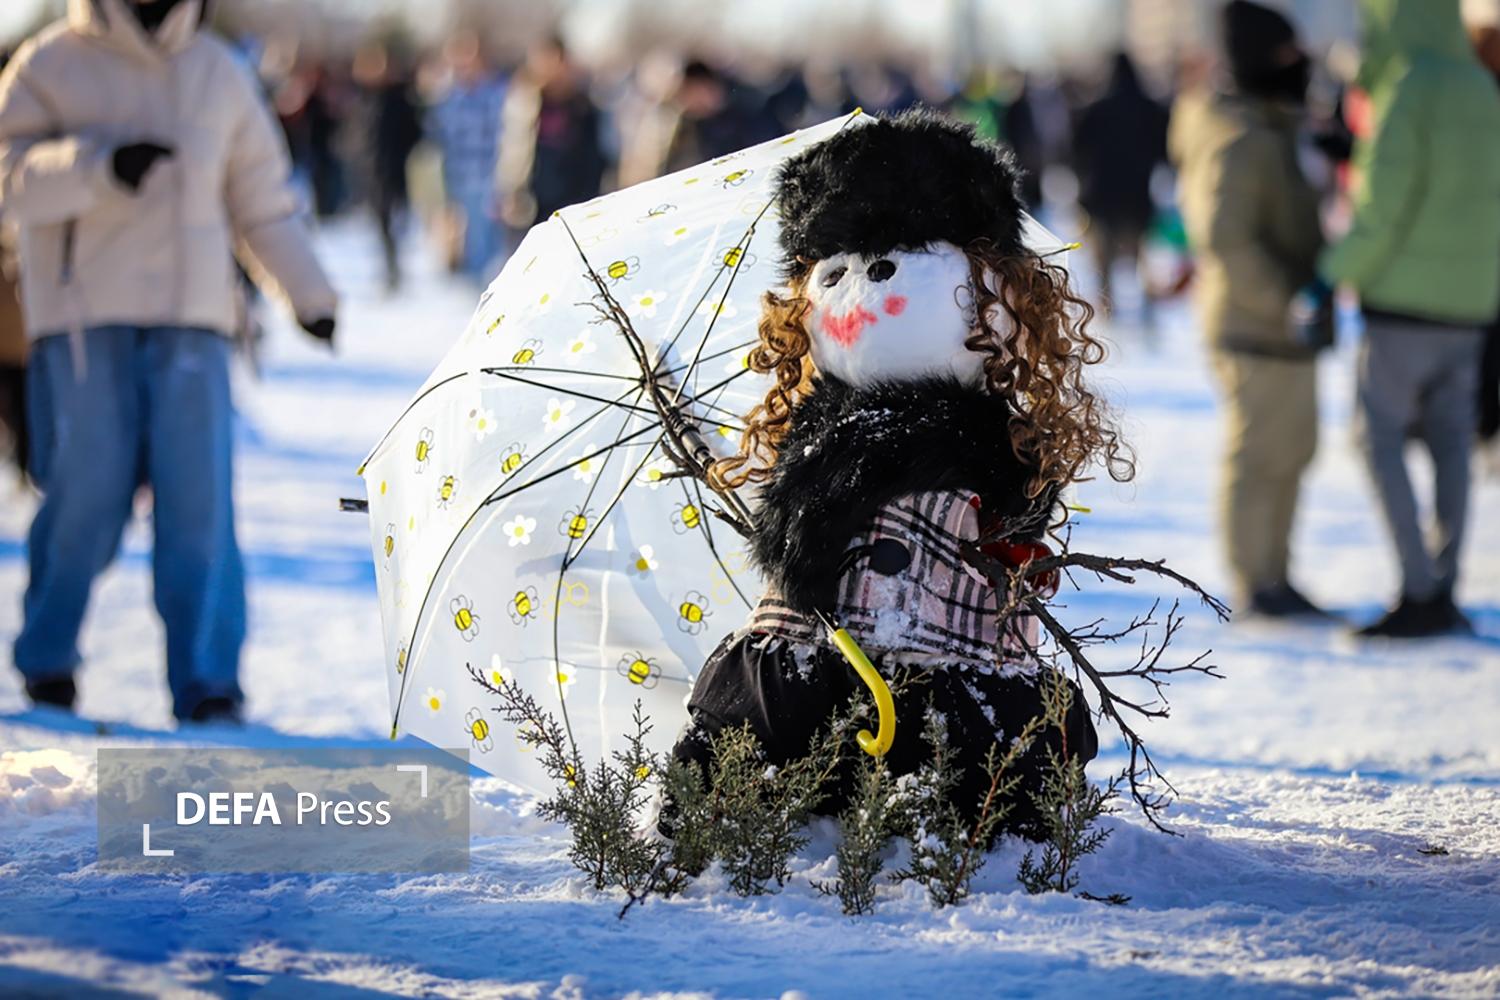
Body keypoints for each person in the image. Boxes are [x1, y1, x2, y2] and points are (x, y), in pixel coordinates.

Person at [667, 112, 1128, 837]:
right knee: (733, 749)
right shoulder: (815, 429)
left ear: (994, 296)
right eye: (836, 274)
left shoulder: (987, 438)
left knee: (979, 784)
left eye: (885, 269)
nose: (858, 297)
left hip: (940, 680)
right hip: (807, 680)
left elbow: (1016, 515)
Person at [0, 0, 338, 721]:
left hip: (194, 320)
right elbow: (7, 177)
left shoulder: (217, 71)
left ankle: (208, 680)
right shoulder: (47, 64)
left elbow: (262, 200)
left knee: (199, 504)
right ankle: (47, 657)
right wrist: (96, 167)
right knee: (85, 498)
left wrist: (309, 294)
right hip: (83, 316)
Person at [1307, 0, 1500, 637]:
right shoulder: (1481, 86)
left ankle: (1418, 590)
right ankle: (1444, 586)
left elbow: (1382, 209)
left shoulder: (1409, 87)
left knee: (1378, 438)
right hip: (1471, 303)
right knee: (1451, 441)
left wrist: (1331, 276)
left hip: (1403, 306)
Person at [1170, 1, 1327, 618]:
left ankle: (1275, 574)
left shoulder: (1268, 124)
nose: (1300, 65)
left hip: (1279, 323)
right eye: (1288, 54)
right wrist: (1286, 299)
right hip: (1256, 322)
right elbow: (1226, 239)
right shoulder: (1240, 136)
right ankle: (1256, 581)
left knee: (1290, 451)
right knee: (1260, 455)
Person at [1071, 52, 1169, 322]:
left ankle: (1109, 308)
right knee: (1140, 254)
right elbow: (1164, 150)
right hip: (1137, 195)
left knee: (1105, 259)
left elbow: (1078, 150)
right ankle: (1146, 307)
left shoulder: (1096, 109)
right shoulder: (1149, 109)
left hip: (1103, 196)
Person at [496, 36, 608, 232]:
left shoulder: (583, 106)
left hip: (574, 202)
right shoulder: (525, 103)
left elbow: (595, 158)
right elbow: (512, 149)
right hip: (532, 204)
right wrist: (510, 189)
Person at [432, 31, 506, 284]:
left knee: (491, 239)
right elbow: (438, 139)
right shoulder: (446, 97)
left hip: (491, 176)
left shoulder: (498, 92)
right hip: (459, 178)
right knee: (468, 238)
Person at [352, 39, 423, 291]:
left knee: (397, 223)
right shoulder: (363, 98)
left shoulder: (400, 98)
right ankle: (388, 269)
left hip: (395, 170)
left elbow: (413, 133)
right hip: (371, 172)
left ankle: (396, 269)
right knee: (380, 224)